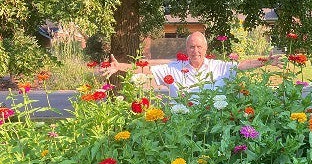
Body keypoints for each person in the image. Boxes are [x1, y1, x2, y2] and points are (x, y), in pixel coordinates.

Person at [102, 31, 282, 96]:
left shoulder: (218, 67)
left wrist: (266, 62)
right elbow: (146, 69)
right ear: (186, 49)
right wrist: (120, 67)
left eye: (199, 47)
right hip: (182, 125)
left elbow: (242, 65)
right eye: (192, 47)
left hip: (211, 124)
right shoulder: (174, 68)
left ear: (205, 48)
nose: (195, 51)